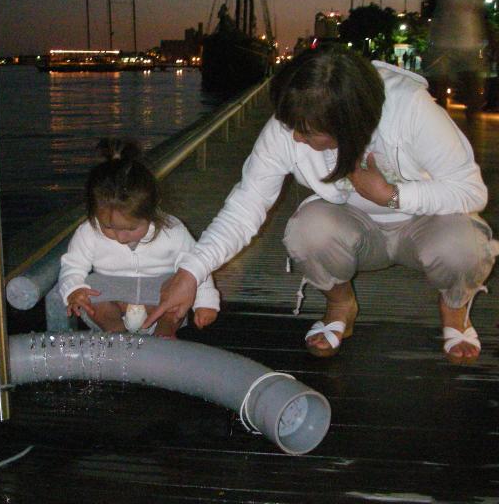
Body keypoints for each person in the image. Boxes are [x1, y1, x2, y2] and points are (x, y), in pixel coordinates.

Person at [144, 45, 498, 364]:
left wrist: (393, 195)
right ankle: (340, 304)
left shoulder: (409, 107)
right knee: (307, 230)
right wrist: (191, 272)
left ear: (349, 124)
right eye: (291, 126)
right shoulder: (291, 124)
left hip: (425, 223)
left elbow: (471, 190)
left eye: (307, 131)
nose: (295, 137)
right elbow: (246, 205)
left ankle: (454, 309)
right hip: (354, 226)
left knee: (465, 246)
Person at [58, 138, 220, 337]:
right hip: (113, 293)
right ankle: (114, 331)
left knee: (176, 294)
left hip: (159, 292)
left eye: (130, 229)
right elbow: (72, 265)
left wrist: (206, 302)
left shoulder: (172, 230)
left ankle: (165, 332)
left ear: (151, 212)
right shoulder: (88, 232)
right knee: (92, 291)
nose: (120, 237)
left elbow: (196, 264)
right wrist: (74, 289)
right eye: (108, 227)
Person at [423, 0, 488, 115]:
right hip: (442, 44)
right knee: (440, 95)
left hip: (469, 44)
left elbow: (482, 13)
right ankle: (440, 124)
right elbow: (428, 9)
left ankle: (472, 125)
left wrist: (490, 38)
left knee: (474, 95)